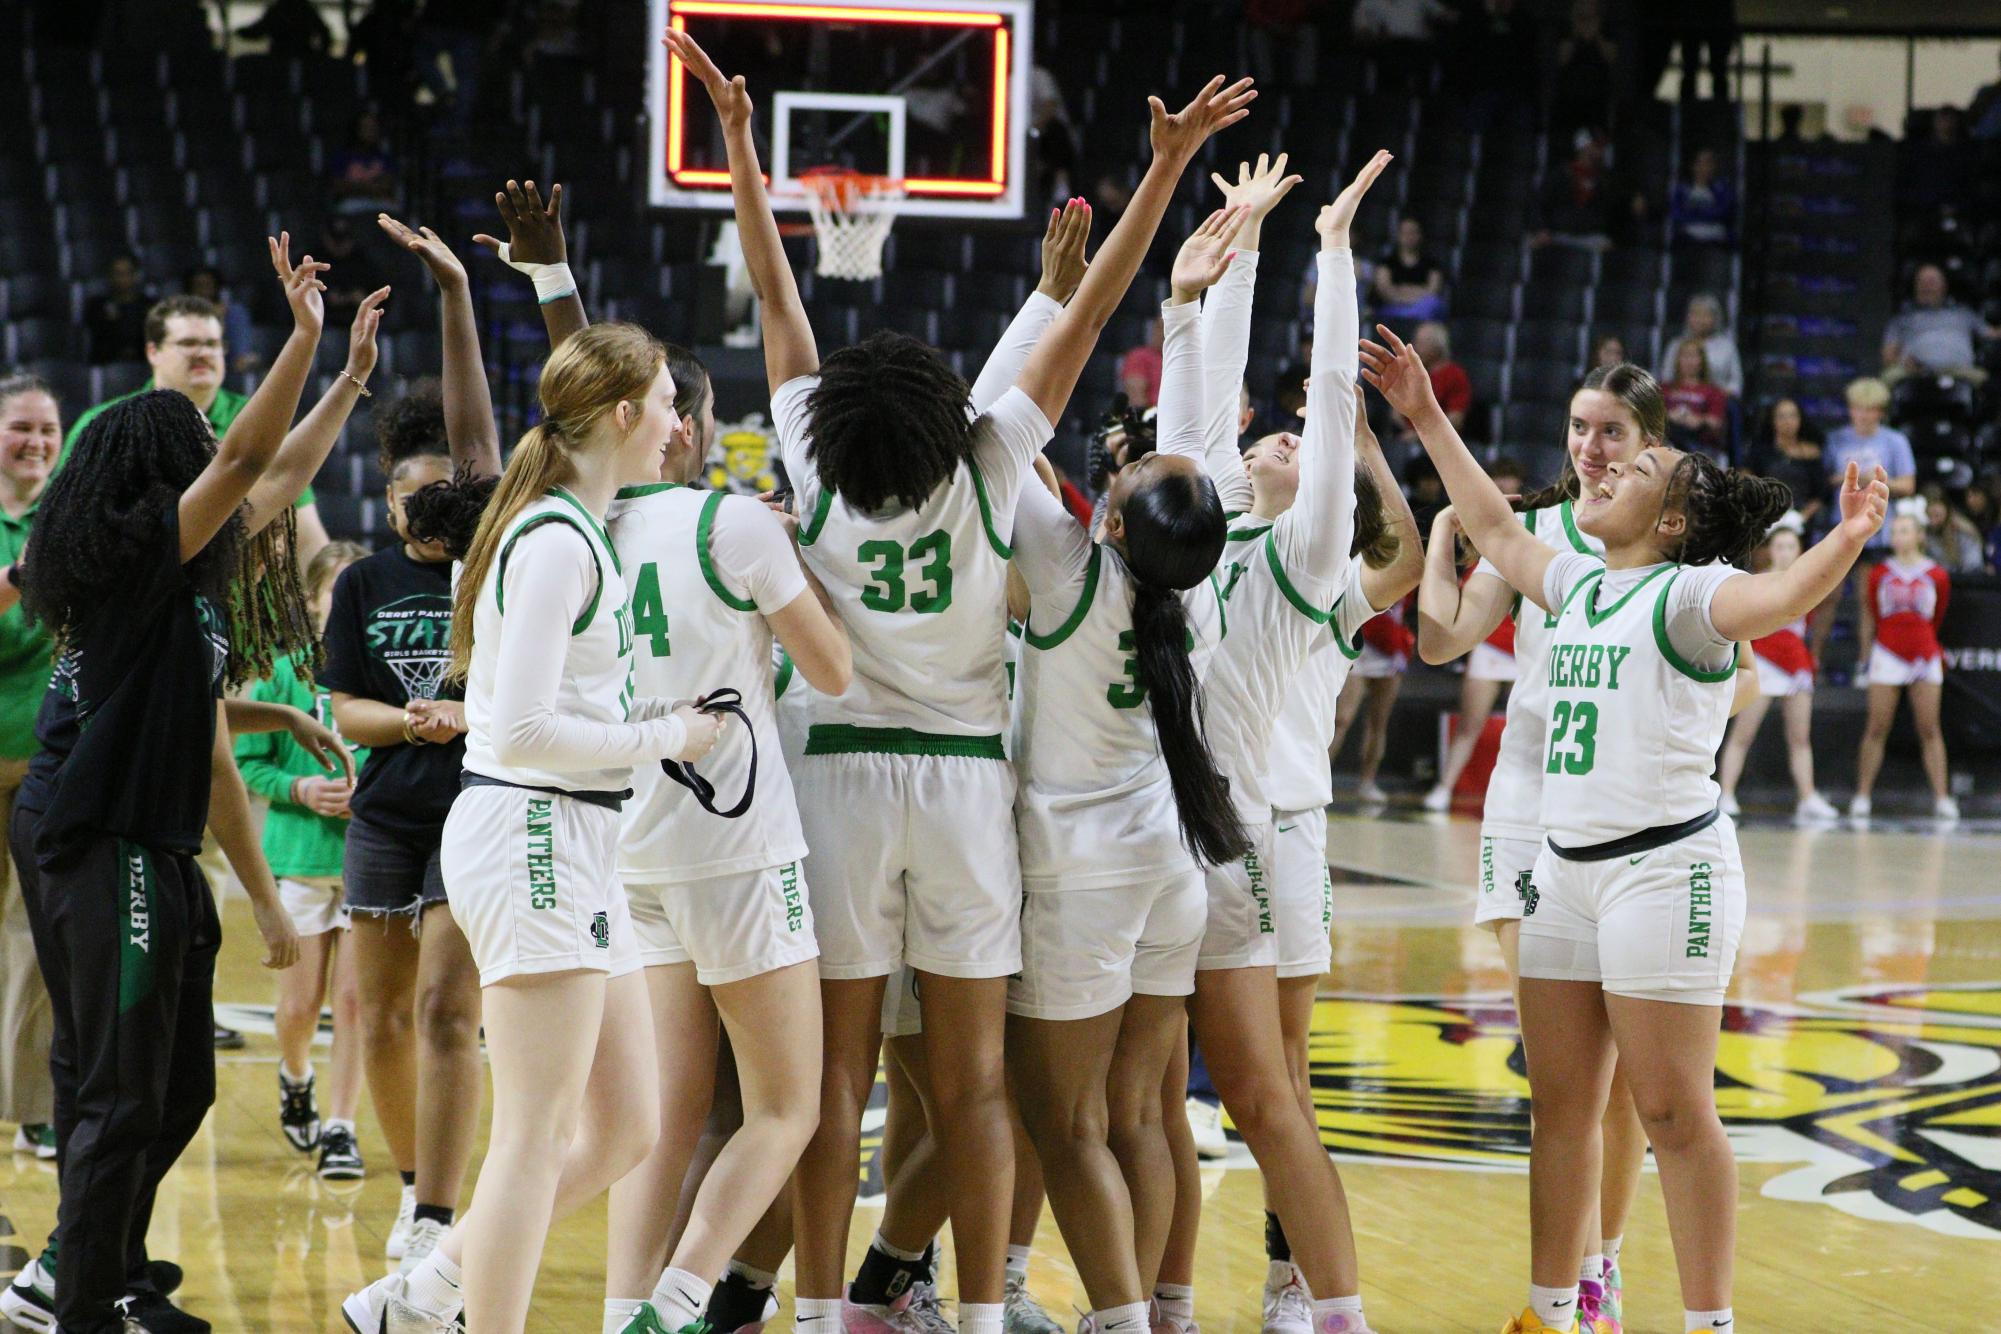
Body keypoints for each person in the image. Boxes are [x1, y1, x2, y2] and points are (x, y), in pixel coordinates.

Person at [675, 28, 1257, 1334]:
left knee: (829, 1090)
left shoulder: (813, 470)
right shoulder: (994, 464)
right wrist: (1161, 174)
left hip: (831, 785)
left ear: (828, 426)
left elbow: (778, 304)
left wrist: (739, 153)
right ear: (944, 414)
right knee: (977, 1085)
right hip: (962, 797)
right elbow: (1093, 311)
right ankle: (982, 1312)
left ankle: (824, 1309)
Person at [1366, 319, 1889, 1334]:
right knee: (1560, 1108)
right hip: (1562, 870)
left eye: (1635, 461)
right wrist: (1424, 413)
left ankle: (1708, 1321)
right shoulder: (1580, 580)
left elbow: (1781, 593)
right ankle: (1551, 1309)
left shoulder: (1690, 596)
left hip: (1665, 871)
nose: (1604, 471)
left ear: (1676, 515)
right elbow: (1500, 526)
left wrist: (1849, 535)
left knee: (1670, 1113)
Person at [343, 319, 727, 1332]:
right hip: (535, 832)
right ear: (628, 415)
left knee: (627, 1124)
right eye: (669, 405)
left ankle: (423, 1293)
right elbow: (515, 724)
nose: (682, 423)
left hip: (577, 837)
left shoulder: (575, 527)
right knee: (535, 1132)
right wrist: (671, 732)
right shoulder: (554, 538)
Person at [10, 234, 345, 1334]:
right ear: (158, 473)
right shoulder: (133, 559)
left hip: (132, 839)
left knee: (174, 1085)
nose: (213, 452)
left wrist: (342, 378)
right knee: (117, 1093)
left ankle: (96, 1262)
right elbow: (247, 465)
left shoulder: (178, 581)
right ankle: (82, 1297)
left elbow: (280, 476)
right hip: (103, 838)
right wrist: (299, 335)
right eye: (193, 446)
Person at [1156, 148, 1392, 1334]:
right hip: (1153, 839)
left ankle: (1318, 1296)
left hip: (1248, 834)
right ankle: (1159, 1298)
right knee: (1150, 1101)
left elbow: (1334, 396)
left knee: (1269, 1091)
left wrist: (1335, 253)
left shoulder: (1306, 557)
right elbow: (1197, 404)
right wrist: (1226, 259)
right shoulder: (1193, 525)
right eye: (1275, 437)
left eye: (1304, 446)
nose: (1288, 440)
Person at [584, 317, 853, 1334]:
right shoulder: (733, 525)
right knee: (789, 1107)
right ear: (686, 428)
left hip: (634, 842)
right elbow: (831, 669)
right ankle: (683, 1296)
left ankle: (621, 1312)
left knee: (665, 1116)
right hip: (737, 850)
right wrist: (794, 565)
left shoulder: (583, 524)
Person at [1412, 366, 1668, 1334]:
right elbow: (1446, 638)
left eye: (1610, 430)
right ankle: (1570, 1283)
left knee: (1633, 1077)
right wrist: (1446, 535)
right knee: (1572, 1069)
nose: (1590, 447)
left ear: (1647, 440)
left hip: (1632, 815)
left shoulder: (1666, 535)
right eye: (1578, 426)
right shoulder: (1540, 532)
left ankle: (1601, 1267)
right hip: (1528, 809)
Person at [324, 218, 500, 1273]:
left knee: (445, 1007)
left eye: (442, 489)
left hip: (475, 803)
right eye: (406, 491)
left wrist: (455, 299)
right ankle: (410, 1191)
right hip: (387, 801)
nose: (424, 503)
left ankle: (440, 1214)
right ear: (385, 497)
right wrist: (412, 720)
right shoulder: (360, 582)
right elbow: (346, 708)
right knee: (378, 1011)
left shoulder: (491, 564)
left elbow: (481, 450)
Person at [235, 539, 373, 1178]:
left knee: (356, 1004)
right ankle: (296, 1078)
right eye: (333, 591)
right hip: (297, 858)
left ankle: (341, 1126)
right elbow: (244, 762)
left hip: (371, 860)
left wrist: (366, 795)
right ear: (312, 601)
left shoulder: (383, 671)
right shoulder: (284, 669)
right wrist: (299, 788)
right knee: (296, 1008)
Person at [64, 294, 332, 572]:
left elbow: (308, 537)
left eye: (212, 344)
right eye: (188, 343)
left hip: (240, 606)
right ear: (152, 351)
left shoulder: (258, 421)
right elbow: (66, 527)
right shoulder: (102, 425)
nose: (203, 353)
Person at [0, 374, 59, 1160]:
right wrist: (23, 575)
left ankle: (34, 1105)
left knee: (40, 939)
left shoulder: (69, 514)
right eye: (21, 428)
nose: (37, 442)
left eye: (48, 430)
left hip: (51, 764)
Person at [1422, 456, 1527, 812]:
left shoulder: (1532, 533)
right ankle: (1443, 788)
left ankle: (1530, 801)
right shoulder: (1479, 532)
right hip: (1491, 644)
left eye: (1508, 481)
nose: (1502, 488)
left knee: (1534, 728)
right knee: (1470, 724)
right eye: (1497, 481)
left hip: (1527, 648)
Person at [1717, 514, 1837, 821]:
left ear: (1799, 550)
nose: (1784, 552)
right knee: (1743, 733)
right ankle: (1726, 793)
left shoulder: (1806, 583)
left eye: (1790, 546)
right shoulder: (1757, 581)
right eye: (1779, 546)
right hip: (1765, 662)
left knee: (1800, 737)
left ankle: (1807, 796)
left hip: (1796, 664)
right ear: (1770, 550)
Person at [1850, 503, 1956, 823]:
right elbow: (1872, 614)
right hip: (1887, 652)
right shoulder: (1880, 573)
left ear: (1920, 535)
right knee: (1876, 727)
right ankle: (1862, 795)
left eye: (1904, 530)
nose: (1897, 536)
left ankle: (1942, 797)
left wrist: (1925, 645)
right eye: (1894, 531)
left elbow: (1937, 617)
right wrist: (1867, 655)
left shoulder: (1936, 574)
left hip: (1924, 655)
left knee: (1929, 728)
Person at [1813, 377, 1917, 669]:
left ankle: (1865, 662)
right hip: (1840, 526)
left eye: (1870, 409)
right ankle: (1813, 659)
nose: (1863, 415)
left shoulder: (1895, 440)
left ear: (1880, 411)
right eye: (1858, 408)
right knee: (1827, 594)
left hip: (1877, 530)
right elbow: (1825, 479)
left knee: (1866, 599)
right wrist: (1852, 479)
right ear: (1850, 409)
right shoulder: (1836, 439)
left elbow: (1908, 484)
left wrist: (1877, 479)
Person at [1329, 595, 1411, 804]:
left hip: (1390, 647)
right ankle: (1320, 777)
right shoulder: (1364, 562)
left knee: (1378, 722)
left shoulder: (1412, 567)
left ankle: (1367, 782)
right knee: (1342, 719)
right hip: (1360, 642)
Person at [1880, 263, 1996, 385]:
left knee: (1986, 383)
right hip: (1913, 372)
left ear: (1944, 286)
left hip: (1961, 371)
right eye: (1921, 282)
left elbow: (1992, 334)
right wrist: (1902, 362)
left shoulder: (1964, 313)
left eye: (1932, 282)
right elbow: (1888, 356)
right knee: (1889, 377)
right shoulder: (1901, 319)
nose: (1926, 286)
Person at [1749, 397, 1825, 532]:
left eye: (1792, 415)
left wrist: (1801, 518)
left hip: (1801, 519)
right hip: (1765, 519)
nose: (1787, 421)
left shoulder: (1811, 453)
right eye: (1781, 416)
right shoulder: (1759, 452)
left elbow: (1821, 494)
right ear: (1772, 420)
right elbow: (1747, 482)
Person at [1391, 321, 1470, 445]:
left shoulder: (1455, 375)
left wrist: (1420, 435)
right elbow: (1396, 412)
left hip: (1441, 443)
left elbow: (1455, 419)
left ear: (1438, 347)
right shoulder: (1412, 372)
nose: (1415, 347)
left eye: (1421, 343)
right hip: (1407, 438)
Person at [1656, 294, 1743, 398]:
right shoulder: (1676, 345)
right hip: (1679, 400)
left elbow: (1736, 385)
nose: (1700, 319)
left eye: (1706, 315)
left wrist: (1712, 396)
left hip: (1717, 401)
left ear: (1716, 318)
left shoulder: (1727, 347)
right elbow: (1666, 378)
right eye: (1696, 314)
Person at [183, 264, 260, 375]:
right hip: (195, 356)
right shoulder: (181, 313)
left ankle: (242, 357)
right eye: (199, 285)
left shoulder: (230, 310)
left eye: (208, 284)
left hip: (228, 356)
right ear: (191, 287)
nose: (204, 289)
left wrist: (220, 316)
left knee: (237, 312)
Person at [1662, 338, 1728, 461]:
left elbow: (1716, 422)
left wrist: (1700, 420)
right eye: (1685, 356)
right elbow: (1652, 417)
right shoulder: (1665, 388)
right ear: (1677, 360)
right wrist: (1670, 416)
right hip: (1668, 444)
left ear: (1702, 360)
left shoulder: (1713, 392)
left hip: (1700, 446)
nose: (1689, 361)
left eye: (1693, 356)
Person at [1371, 218, 1447, 324]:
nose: (1409, 237)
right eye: (1405, 233)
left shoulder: (1431, 263)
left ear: (1420, 235)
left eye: (1413, 232)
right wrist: (1415, 292)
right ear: (1398, 235)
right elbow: (1384, 290)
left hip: (1422, 307)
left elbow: (1433, 290)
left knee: (1434, 303)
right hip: (1393, 308)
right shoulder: (1386, 262)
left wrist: (1403, 291)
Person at [330, 108, 403, 215]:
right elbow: (338, 186)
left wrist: (357, 186)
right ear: (357, 129)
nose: (370, 132)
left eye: (373, 128)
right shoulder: (343, 157)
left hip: (380, 202)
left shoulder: (384, 158)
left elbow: (387, 185)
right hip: (351, 203)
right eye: (366, 127)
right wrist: (370, 187)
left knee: (393, 211)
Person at [83, 254, 151, 366]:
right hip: (107, 362)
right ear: (110, 276)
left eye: (127, 273)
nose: (122, 278)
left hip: (142, 362)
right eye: (118, 273)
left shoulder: (148, 305)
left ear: (136, 275)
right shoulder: (97, 305)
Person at [1667, 147, 1734, 248]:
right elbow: (1676, 214)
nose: (1705, 167)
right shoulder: (1682, 189)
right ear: (1693, 166)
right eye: (1701, 163)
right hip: (1687, 242)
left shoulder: (1722, 189)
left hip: (1716, 244)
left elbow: (1723, 213)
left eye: (1709, 163)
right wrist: (1705, 213)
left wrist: (1693, 212)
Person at [1922, 484, 1986, 572]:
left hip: (1963, 582)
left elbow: (1973, 567)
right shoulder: (1917, 534)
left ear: (1946, 508)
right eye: (1928, 505)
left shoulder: (1963, 531)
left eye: (1937, 504)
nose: (1932, 509)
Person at [1120, 316, 1166, 409]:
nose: (1161, 333)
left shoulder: (1187, 358)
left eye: (1166, 328)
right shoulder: (1139, 356)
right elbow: (1136, 398)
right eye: (1159, 328)